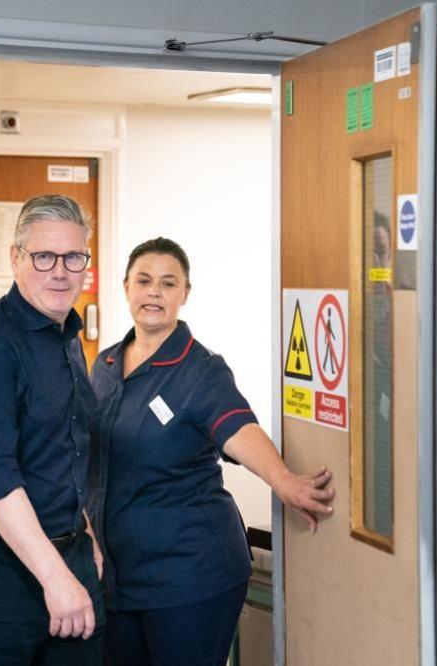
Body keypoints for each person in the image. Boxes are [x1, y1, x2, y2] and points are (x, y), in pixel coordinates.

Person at [87, 237, 335, 666]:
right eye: (144, 280)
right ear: (126, 286)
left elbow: (238, 427)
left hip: (190, 575)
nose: (154, 292)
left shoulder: (201, 370)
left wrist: (283, 481)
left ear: (185, 294)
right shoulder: (105, 364)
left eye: (168, 283)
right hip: (117, 577)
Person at [0, 194, 105, 665]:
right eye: (44, 256)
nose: (59, 271)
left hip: (71, 556)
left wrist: (86, 539)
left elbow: (63, 451)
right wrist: (55, 577)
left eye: (73, 257)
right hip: (3, 576)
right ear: (16, 259)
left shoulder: (66, 336)